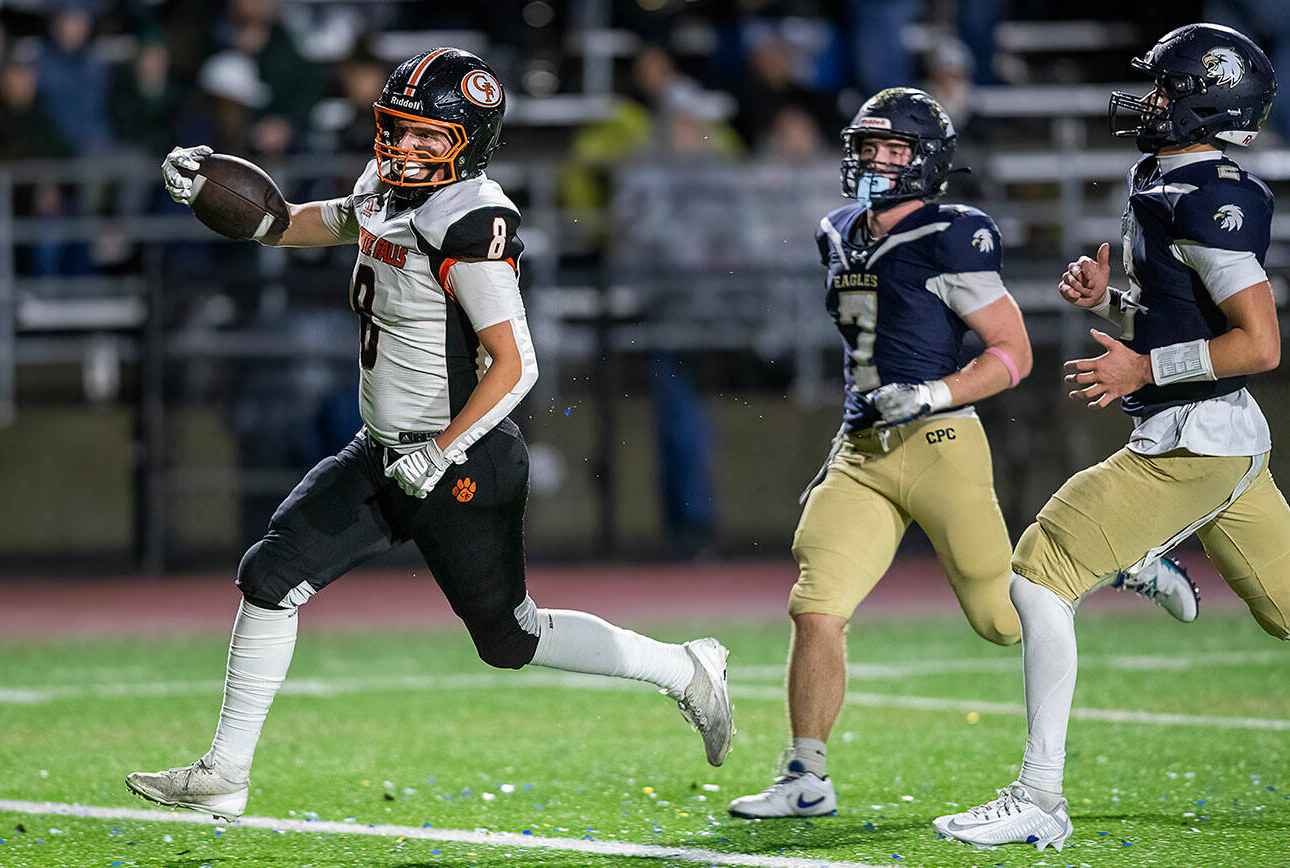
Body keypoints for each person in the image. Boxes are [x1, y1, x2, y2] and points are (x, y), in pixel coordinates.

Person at [125, 48, 732, 823]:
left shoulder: (469, 217)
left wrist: (442, 451)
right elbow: (300, 224)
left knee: (510, 638)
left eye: (426, 138)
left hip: (460, 460)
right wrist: (216, 192)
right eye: (398, 132)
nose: (404, 150)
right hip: (383, 448)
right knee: (270, 577)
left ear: (469, 143)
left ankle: (686, 669)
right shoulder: (384, 186)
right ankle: (225, 775)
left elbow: (518, 365)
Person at [725, 88, 1199, 820]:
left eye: (895, 150)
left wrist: (932, 395)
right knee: (816, 606)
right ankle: (805, 775)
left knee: (1001, 620)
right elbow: (866, 352)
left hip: (941, 442)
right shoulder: (837, 228)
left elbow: (1013, 352)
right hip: (862, 447)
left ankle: (1120, 563)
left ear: (928, 162)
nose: (877, 162)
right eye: (868, 148)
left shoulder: (954, 231)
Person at [935, 23, 1284, 851]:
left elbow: (1259, 343)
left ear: (1209, 99)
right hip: (1221, 442)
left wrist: (1144, 370)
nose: (1151, 100)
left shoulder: (1210, 197)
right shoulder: (1167, 179)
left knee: (1041, 571)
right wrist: (1111, 309)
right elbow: (1179, 320)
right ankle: (1139, 556)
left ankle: (1039, 797)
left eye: (1167, 88)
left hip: (1193, 439)